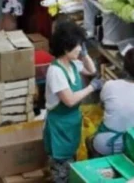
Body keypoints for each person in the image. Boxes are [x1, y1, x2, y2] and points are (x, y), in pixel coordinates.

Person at [44, 20, 101, 183]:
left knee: (71, 170)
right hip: (59, 129)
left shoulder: (73, 64)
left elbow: (91, 70)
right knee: (61, 173)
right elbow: (69, 100)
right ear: (65, 47)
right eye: (76, 45)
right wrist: (92, 87)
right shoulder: (55, 71)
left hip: (71, 126)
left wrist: (85, 53)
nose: (78, 48)